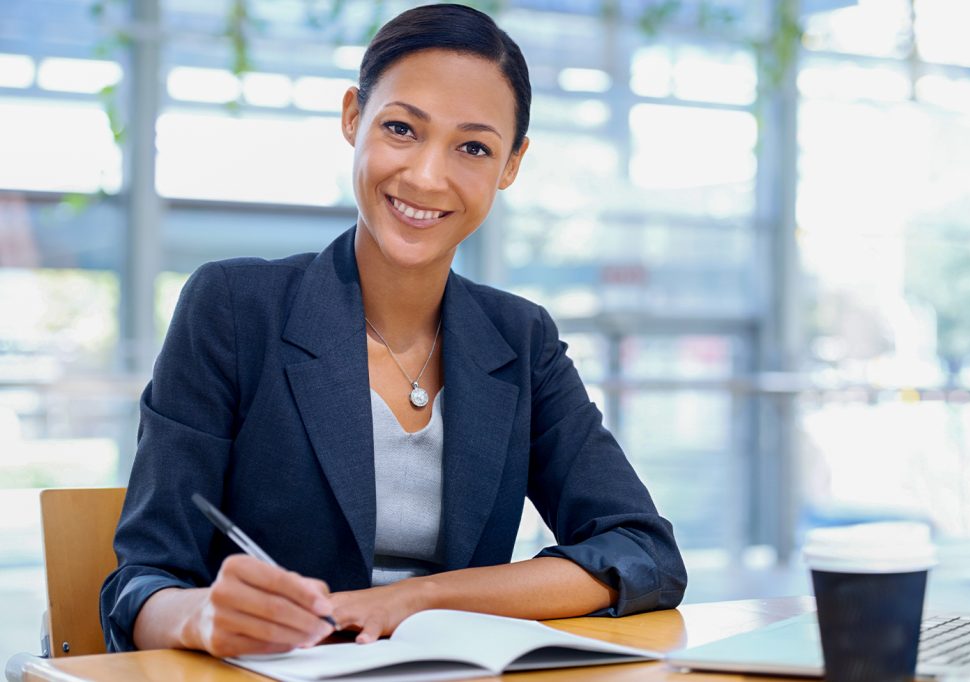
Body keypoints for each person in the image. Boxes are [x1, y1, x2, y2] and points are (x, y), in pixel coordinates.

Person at [100, 3, 686, 657]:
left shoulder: (520, 340)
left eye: (473, 147)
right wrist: (200, 617)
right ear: (354, 117)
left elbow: (642, 553)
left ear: (512, 165)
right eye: (403, 129)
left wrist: (416, 599)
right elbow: (141, 583)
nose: (427, 175)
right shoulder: (234, 308)